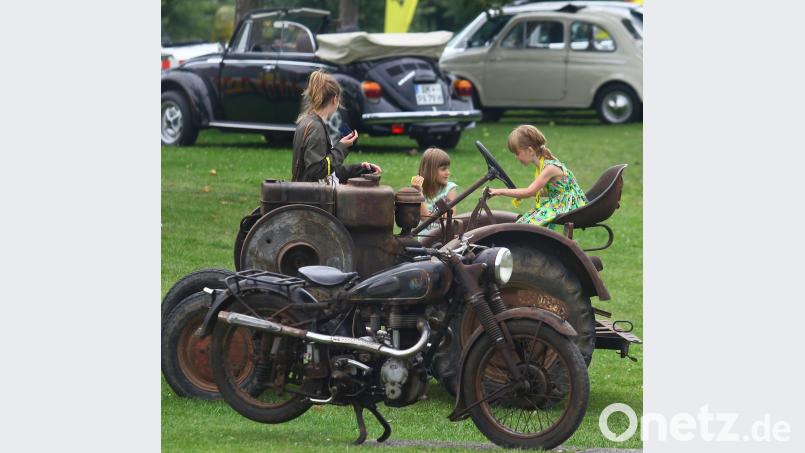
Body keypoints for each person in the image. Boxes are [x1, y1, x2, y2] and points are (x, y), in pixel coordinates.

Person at [292, 70, 381, 183]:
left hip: (311, 194)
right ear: (335, 99)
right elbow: (318, 170)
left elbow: (328, 171)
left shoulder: (310, 122)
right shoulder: (315, 128)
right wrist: (341, 147)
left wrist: (361, 169)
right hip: (313, 199)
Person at [489, 125, 587, 227]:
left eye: (517, 153)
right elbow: (545, 191)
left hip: (570, 205)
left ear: (530, 151)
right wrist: (518, 193)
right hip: (561, 202)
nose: (516, 157)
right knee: (525, 220)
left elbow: (529, 192)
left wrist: (499, 191)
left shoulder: (549, 168)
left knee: (526, 225)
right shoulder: (543, 165)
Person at [411, 147, 457, 233]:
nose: (448, 173)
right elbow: (425, 218)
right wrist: (418, 192)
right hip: (423, 240)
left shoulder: (450, 189)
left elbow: (448, 220)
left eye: (448, 168)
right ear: (430, 170)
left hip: (442, 239)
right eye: (443, 169)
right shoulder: (418, 189)